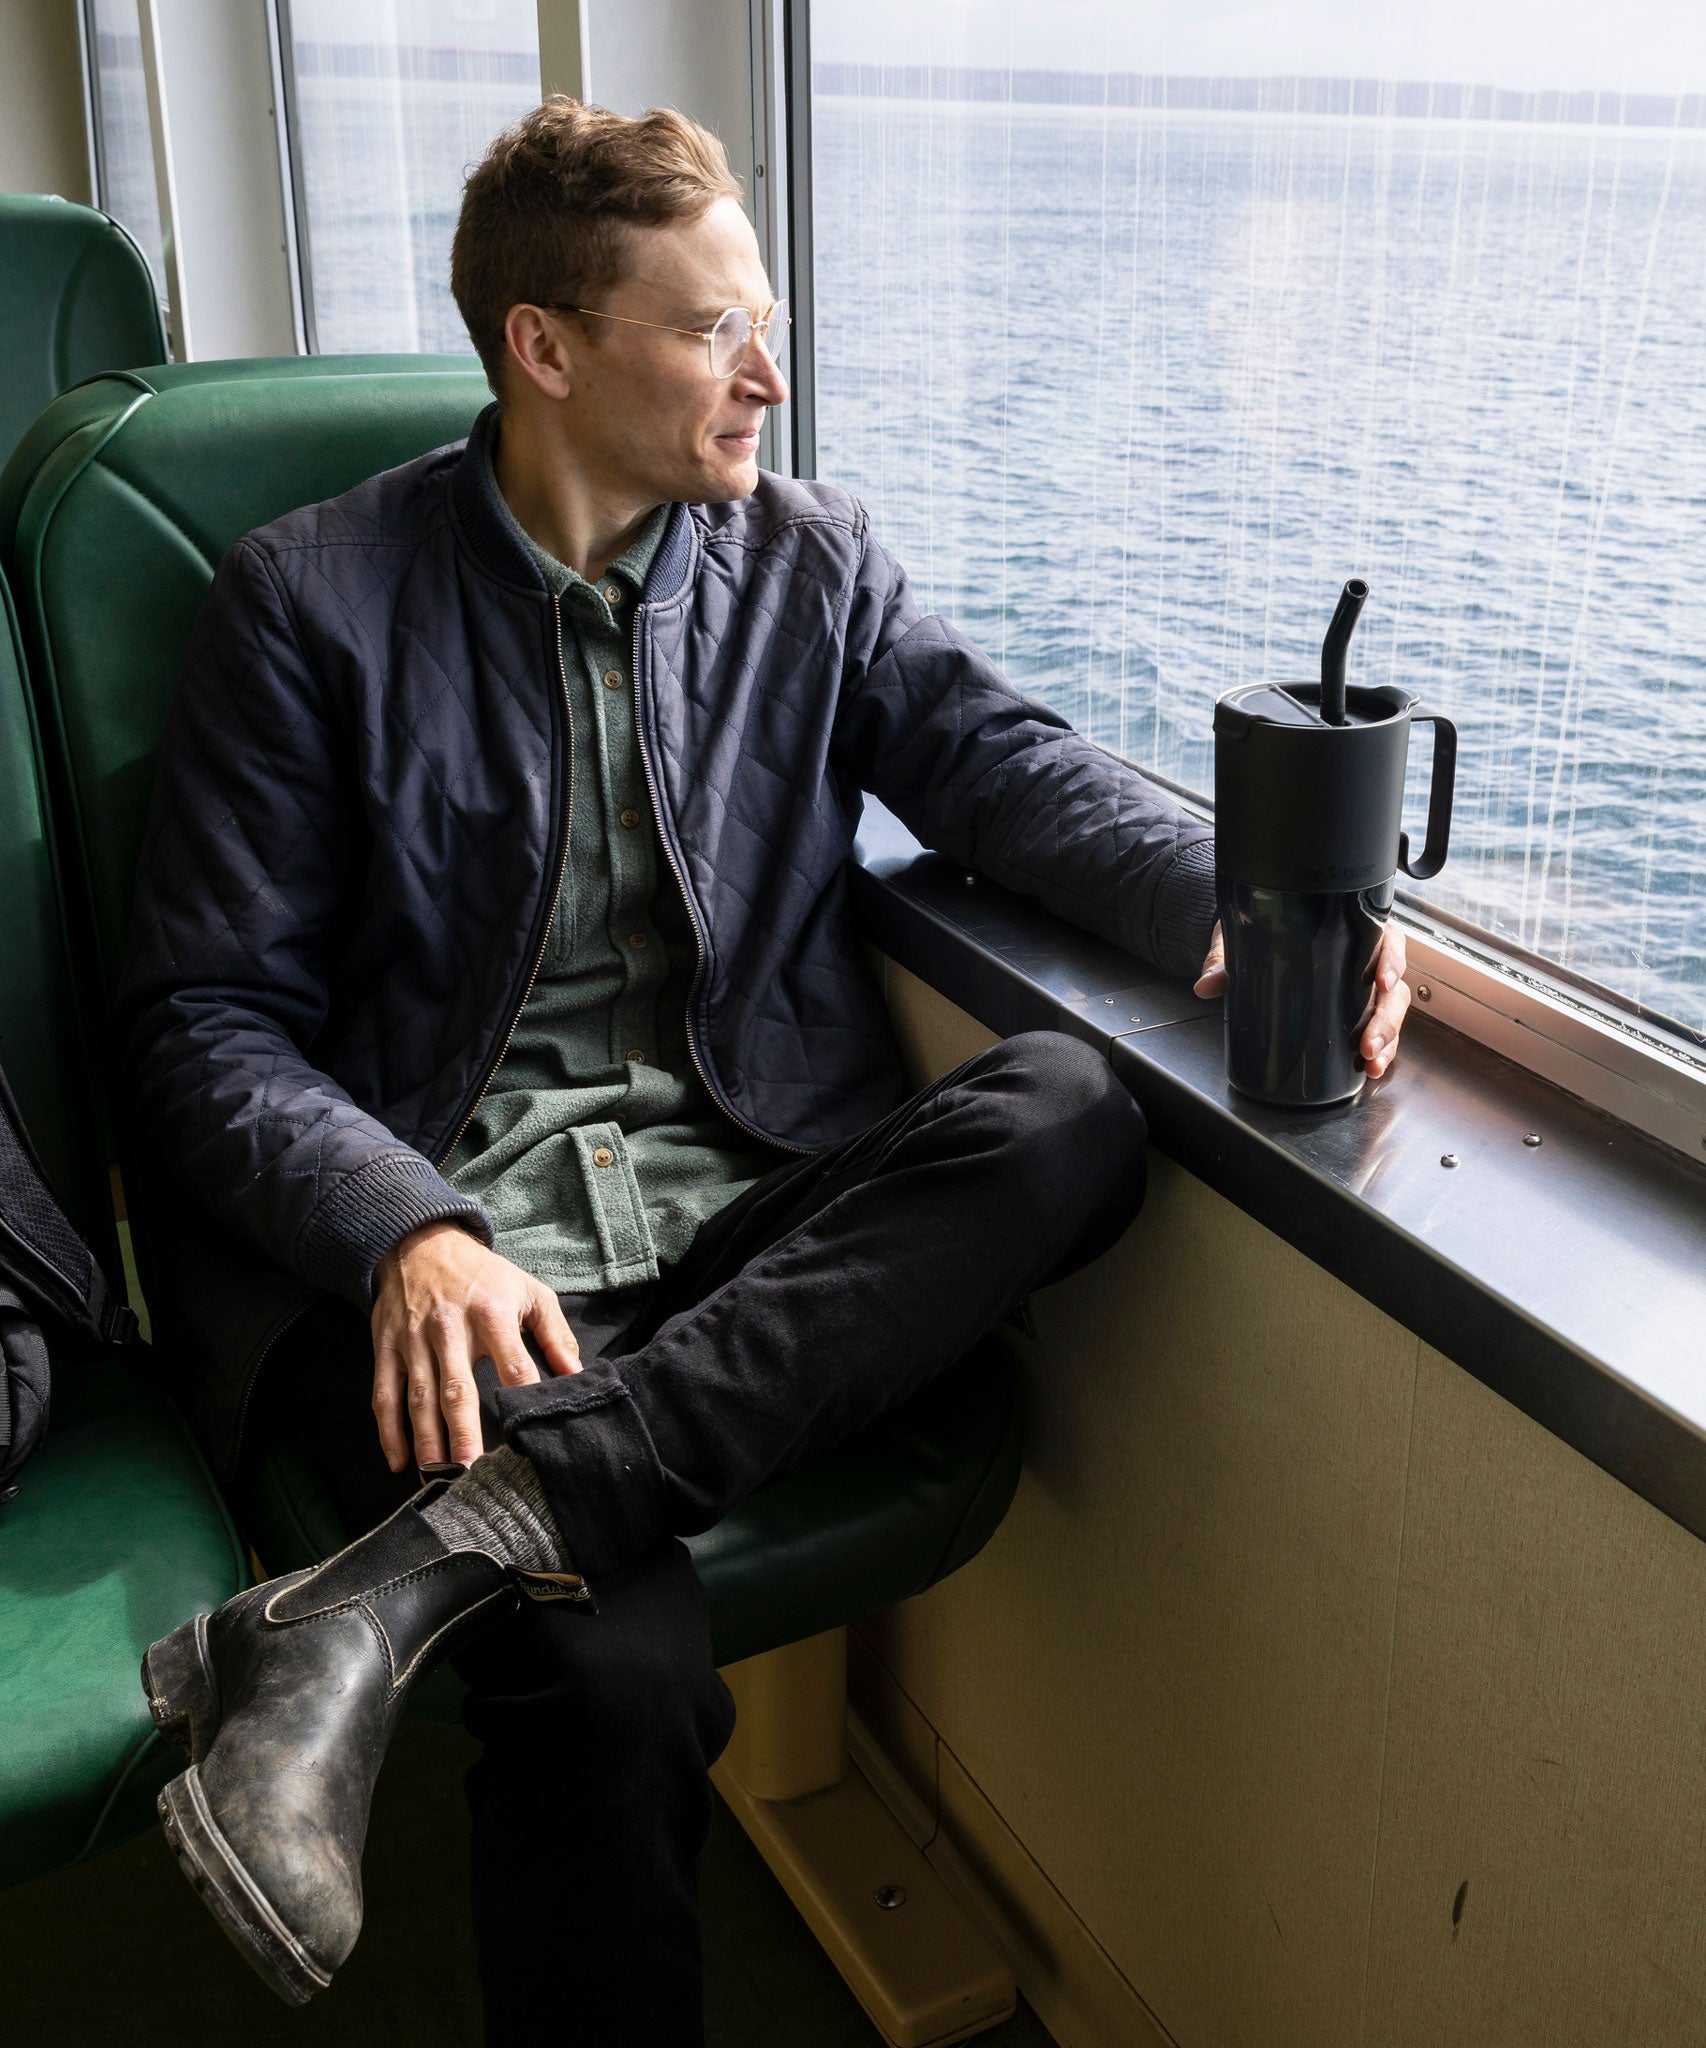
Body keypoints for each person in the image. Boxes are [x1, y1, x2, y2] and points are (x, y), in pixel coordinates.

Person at [123, 97, 1411, 2042]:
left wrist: (1246, 904)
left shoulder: (812, 562)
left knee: (1066, 1113)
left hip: (742, 1222)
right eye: (715, 328)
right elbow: (200, 1020)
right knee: (612, 1675)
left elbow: (995, 760)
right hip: (470, 1278)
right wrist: (405, 1228)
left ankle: (417, 1570)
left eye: (767, 321)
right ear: (545, 348)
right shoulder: (306, 606)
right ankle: (487, 1536)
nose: (769, 377)